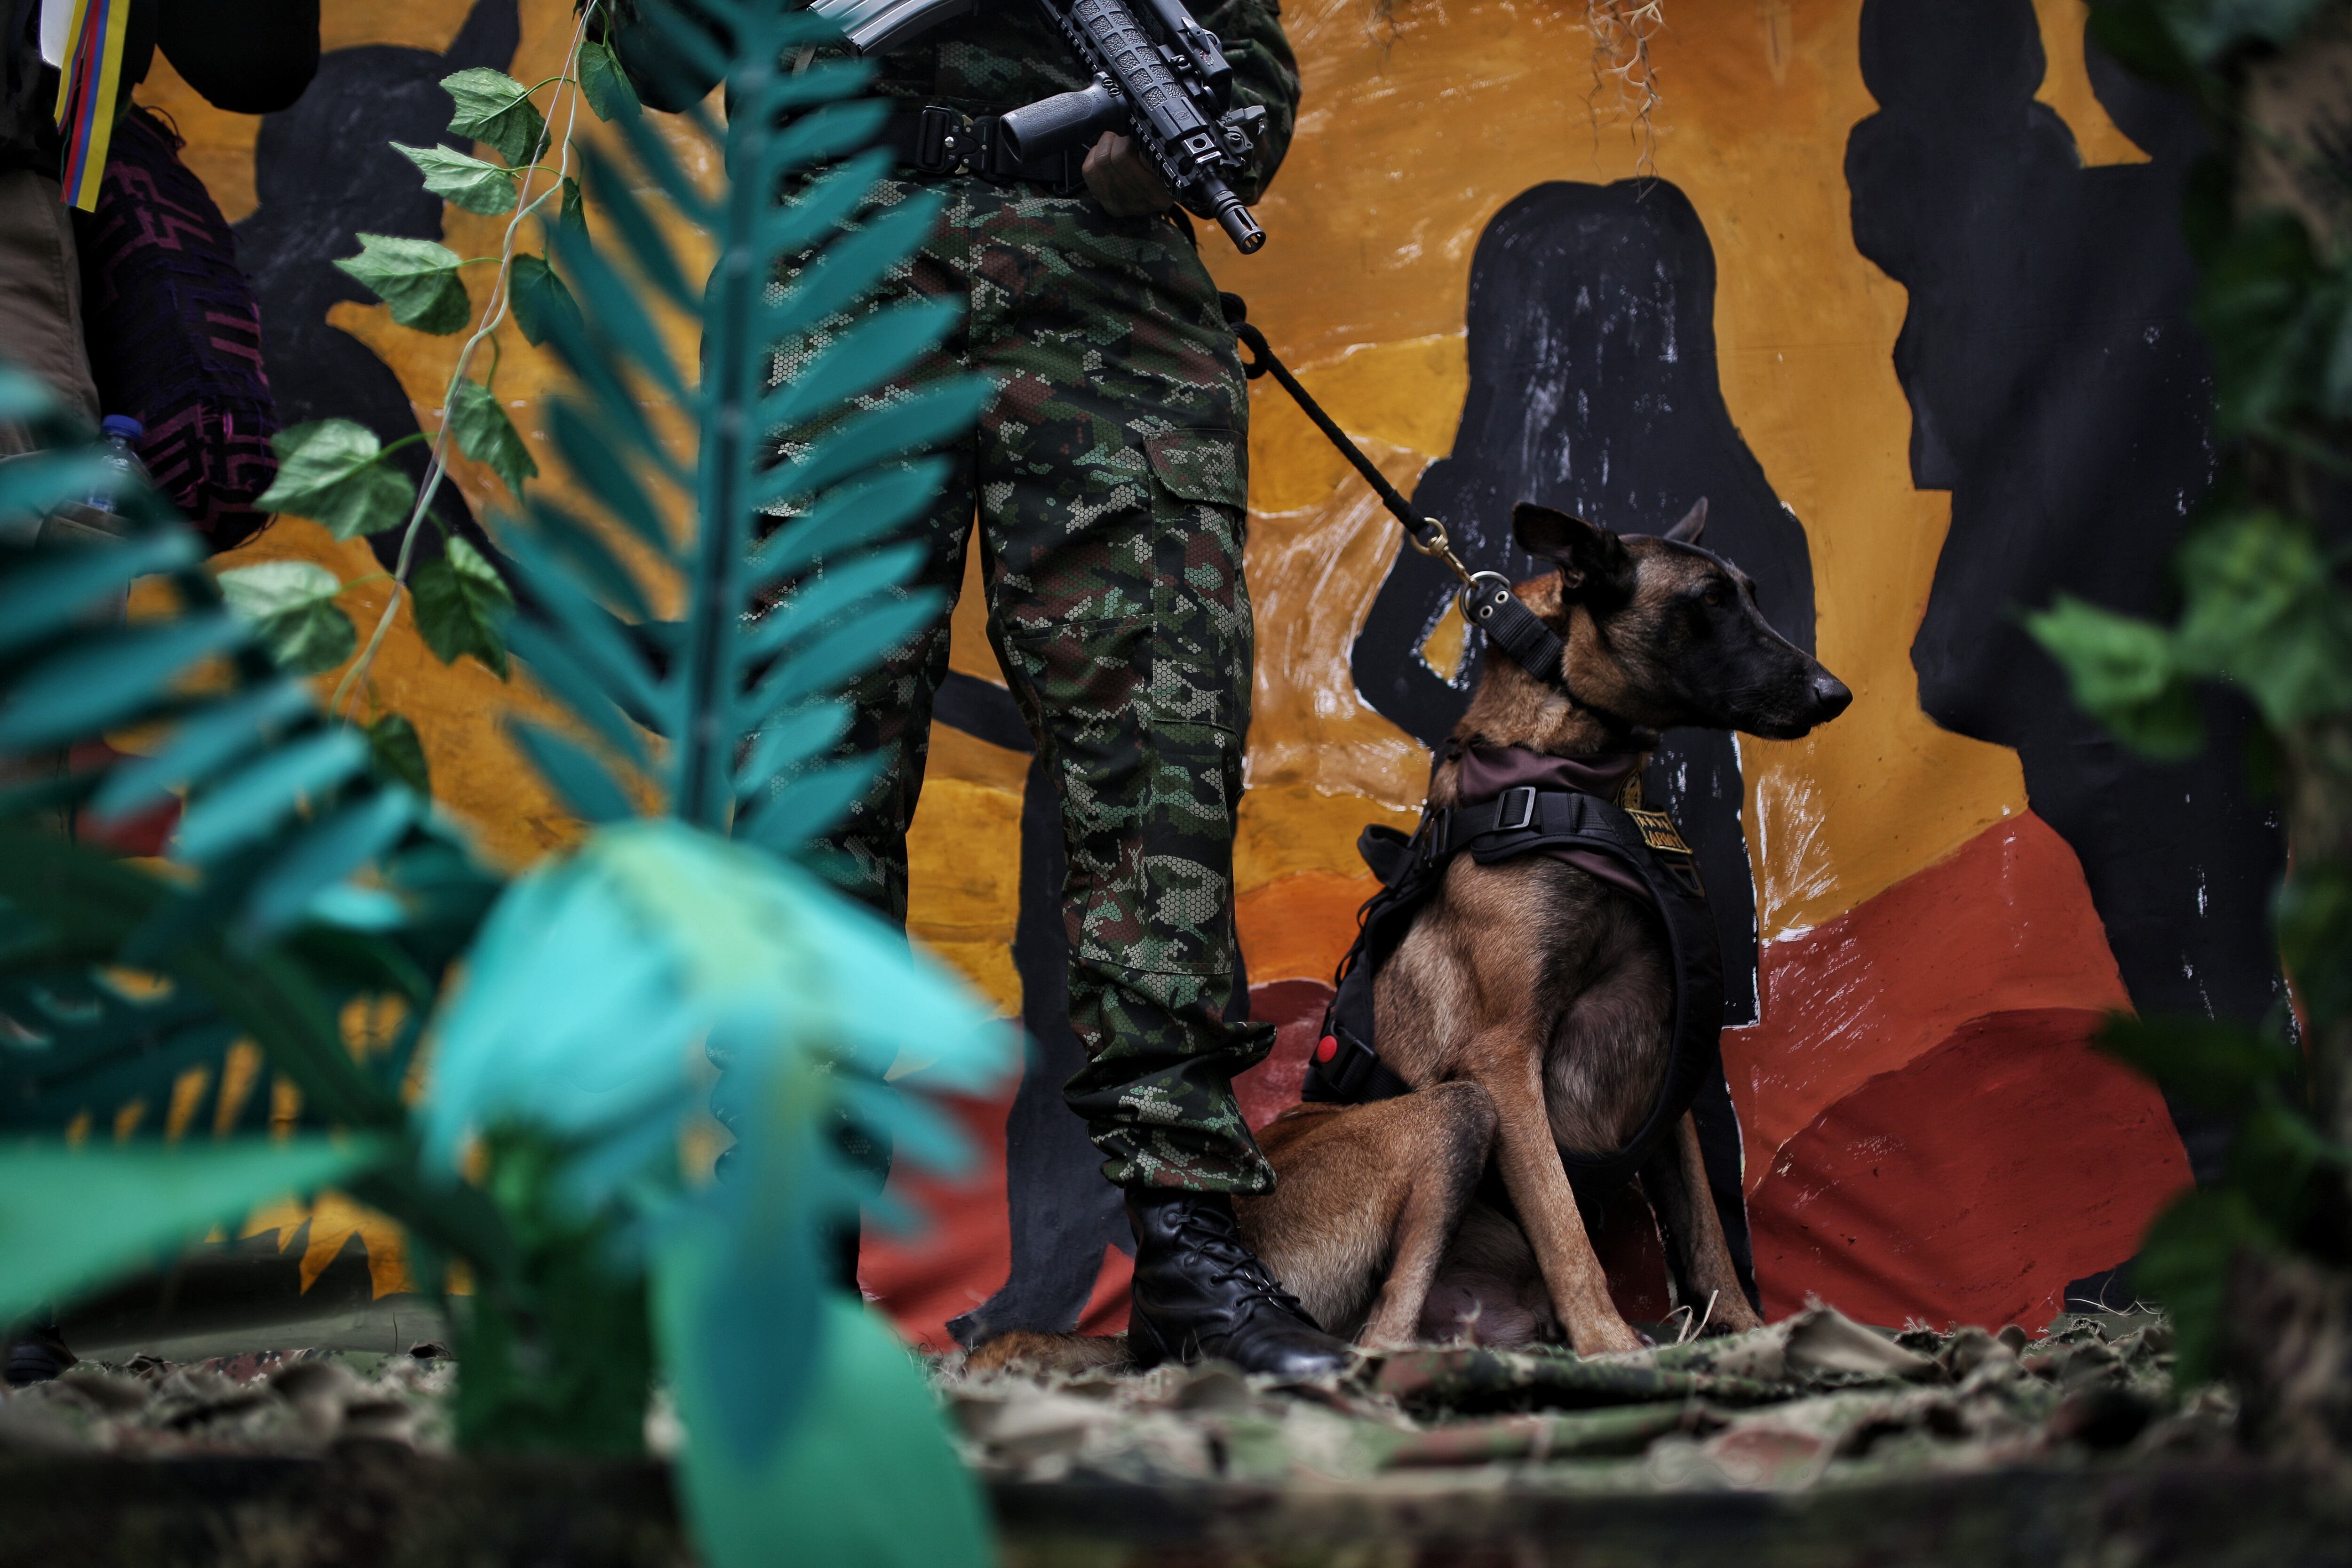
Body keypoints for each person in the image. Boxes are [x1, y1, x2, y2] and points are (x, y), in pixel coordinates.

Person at [608, 0, 1351, 1376]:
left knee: (1158, 771)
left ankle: (1188, 1246)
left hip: (1107, 300)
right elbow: (657, 55)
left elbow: (1241, 68)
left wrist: (1189, 139)